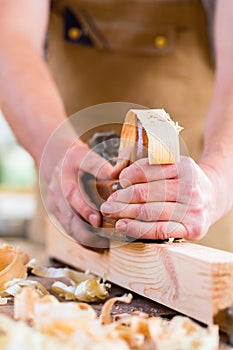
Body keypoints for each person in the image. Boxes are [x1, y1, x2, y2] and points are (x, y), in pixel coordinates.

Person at [0, 0, 233, 251]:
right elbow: (11, 38)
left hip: (197, 234)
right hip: (65, 230)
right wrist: (55, 152)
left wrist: (216, 183)